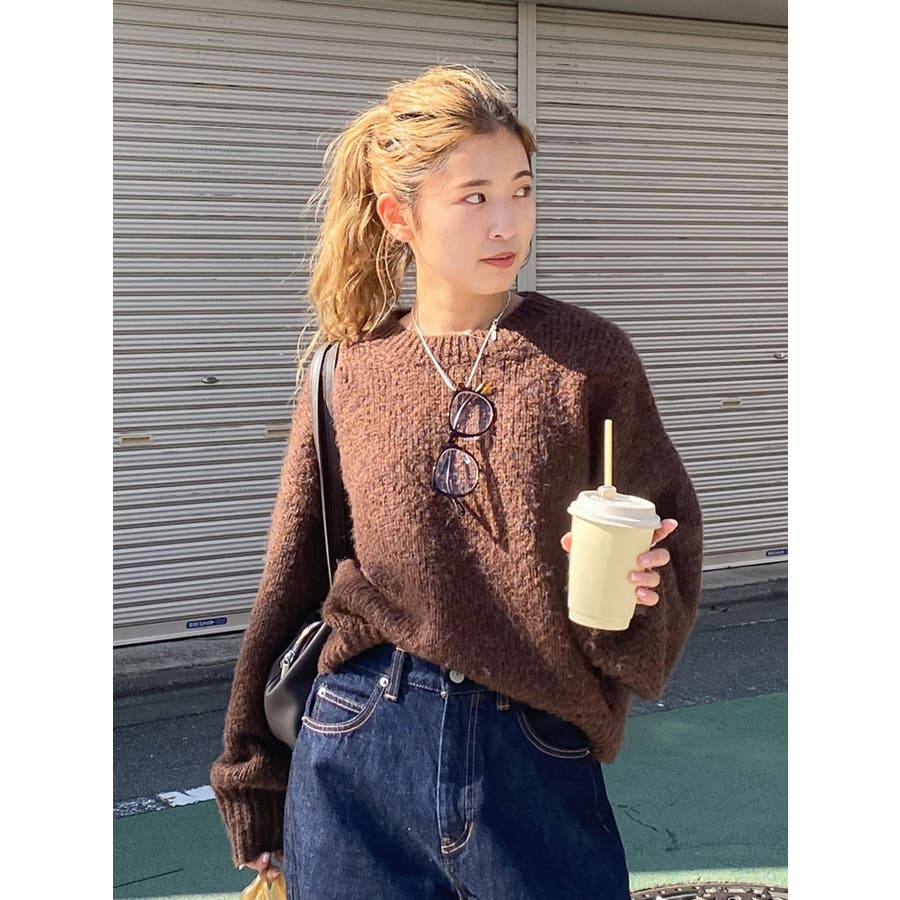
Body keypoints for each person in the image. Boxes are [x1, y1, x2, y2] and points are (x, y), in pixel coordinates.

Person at [210, 63, 703, 900]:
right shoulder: (348, 370)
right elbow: (291, 579)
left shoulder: (590, 360)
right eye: (474, 197)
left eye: (521, 190)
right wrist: (253, 778)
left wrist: (639, 592)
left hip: (535, 748)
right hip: (359, 742)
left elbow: (668, 539)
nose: (507, 222)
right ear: (399, 216)